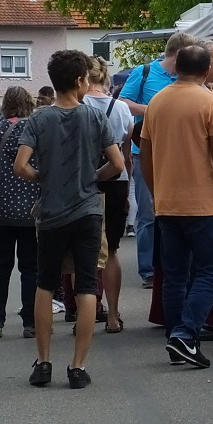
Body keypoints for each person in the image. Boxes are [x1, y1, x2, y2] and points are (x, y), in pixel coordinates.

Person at [14, 50, 123, 389]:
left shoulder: (38, 119)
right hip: (88, 211)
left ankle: (44, 362)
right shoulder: (94, 118)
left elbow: (20, 166)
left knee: (46, 284)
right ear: (79, 81)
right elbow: (117, 165)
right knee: (87, 285)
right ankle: (77, 367)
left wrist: (43, 179)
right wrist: (91, 178)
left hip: (51, 214)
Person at [140, 45, 213, 368]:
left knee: (174, 275)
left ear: (177, 67)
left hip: (167, 203)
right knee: (212, 269)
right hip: (203, 204)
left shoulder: (156, 103)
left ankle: (176, 337)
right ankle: (185, 334)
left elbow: (145, 153)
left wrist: (157, 190)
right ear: (204, 70)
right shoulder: (211, 102)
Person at [120, 31, 196, 288]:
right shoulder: (144, 72)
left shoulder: (186, 77)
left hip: (179, 154)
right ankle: (149, 271)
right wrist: (153, 110)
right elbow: (123, 102)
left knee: (177, 211)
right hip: (147, 152)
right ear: (176, 55)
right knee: (148, 213)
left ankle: (172, 266)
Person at [0, 86, 39, 339]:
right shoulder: (36, 129)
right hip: (31, 210)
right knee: (31, 268)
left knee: (0, 266)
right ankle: (31, 322)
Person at [79, 57, 132, 334]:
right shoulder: (122, 108)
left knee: (83, 250)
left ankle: (86, 313)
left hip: (83, 181)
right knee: (111, 249)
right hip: (116, 179)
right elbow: (126, 152)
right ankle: (113, 315)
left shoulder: (77, 105)